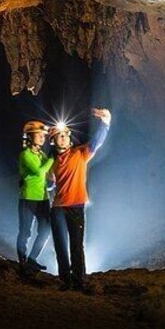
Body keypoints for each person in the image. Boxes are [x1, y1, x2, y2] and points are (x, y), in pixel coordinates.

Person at [49, 108, 112, 291]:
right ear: (54, 141)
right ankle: (65, 280)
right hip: (58, 208)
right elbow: (50, 184)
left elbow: (96, 142)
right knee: (60, 245)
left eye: (65, 135)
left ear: (69, 138)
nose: (63, 138)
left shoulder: (80, 154)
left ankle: (78, 281)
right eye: (59, 136)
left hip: (76, 206)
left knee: (76, 246)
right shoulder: (51, 163)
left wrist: (106, 121)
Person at [17, 120, 54, 272]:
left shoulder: (42, 154)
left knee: (45, 230)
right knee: (26, 231)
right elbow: (40, 171)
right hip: (28, 198)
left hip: (43, 198)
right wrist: (52, 157)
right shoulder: (25, 155)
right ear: (30, 137)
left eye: (43, 135)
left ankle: (32, 259)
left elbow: (48, 171)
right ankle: (22, 261)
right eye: (38, 135)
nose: (41, 138)